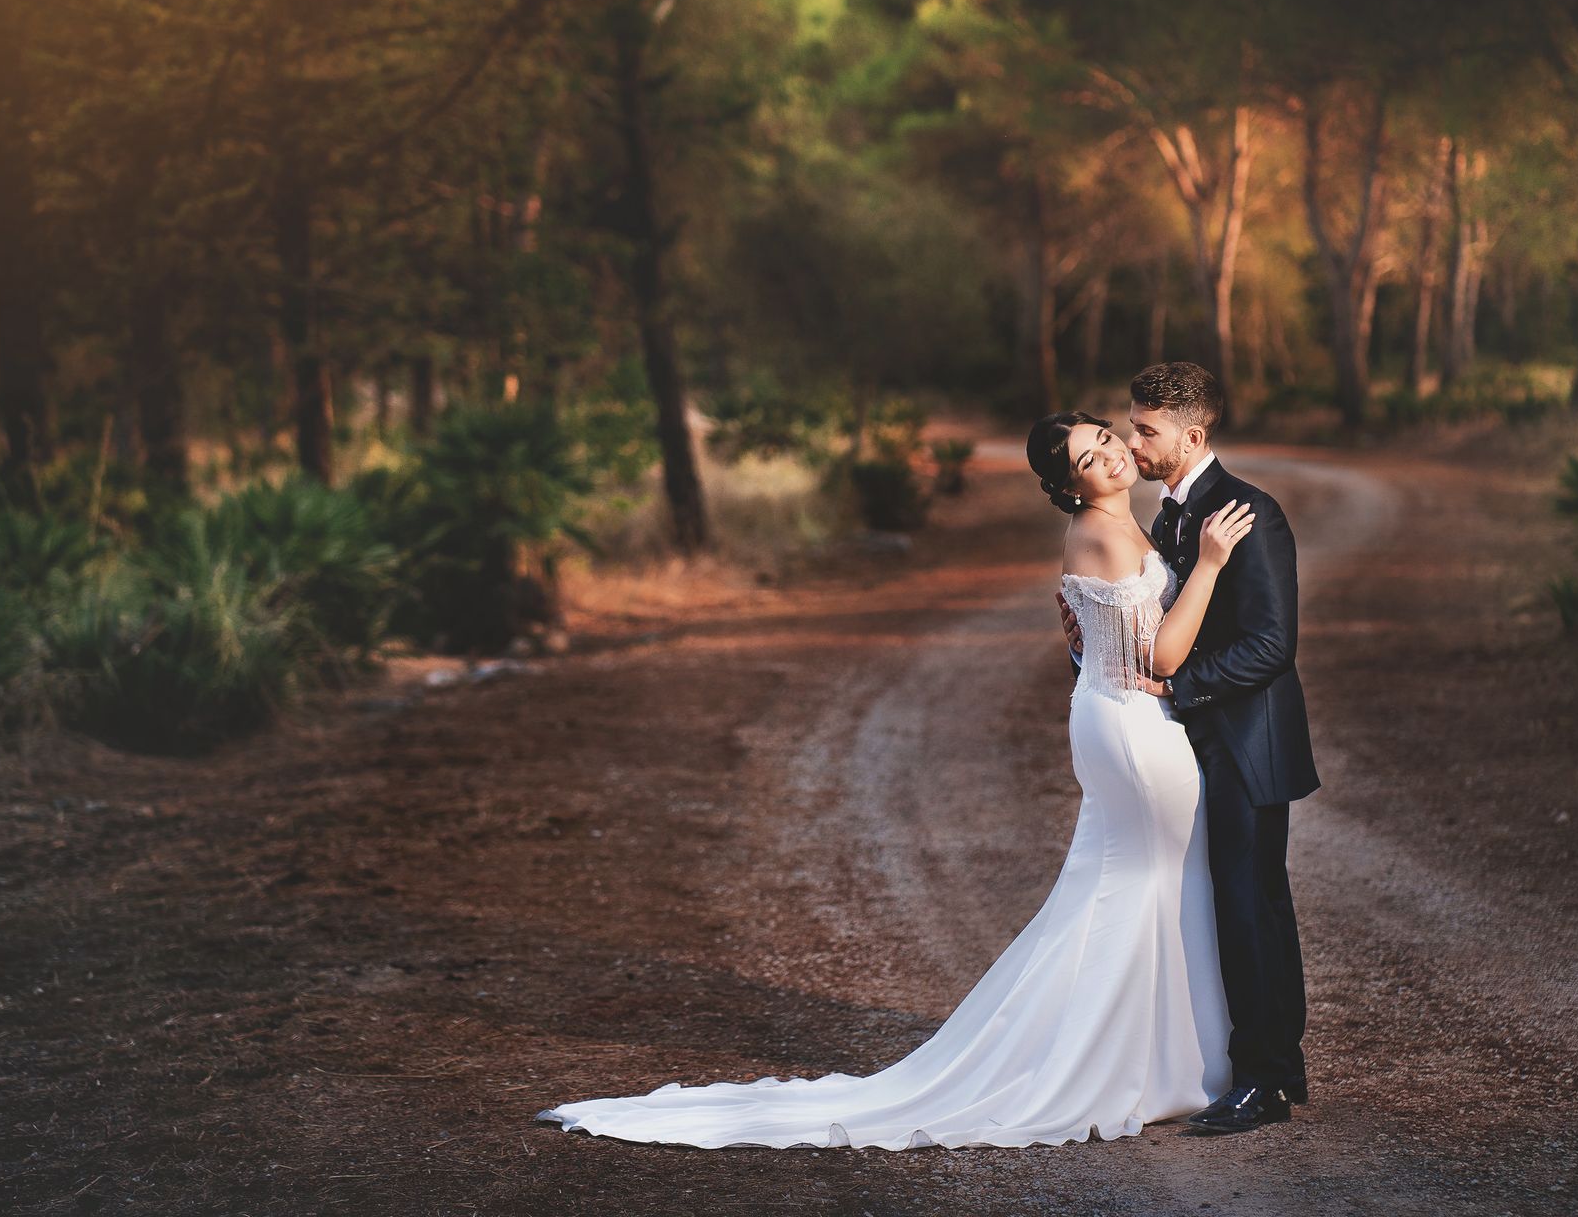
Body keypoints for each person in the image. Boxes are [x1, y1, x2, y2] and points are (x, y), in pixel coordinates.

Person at [533, 410, 1256, 1149]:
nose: (1107, 456)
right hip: (1131, 727)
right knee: (1138, 884)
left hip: (1127, 718)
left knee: (1153, 882)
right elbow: (1162, 658)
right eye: (1086, 458)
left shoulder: (1125, 524)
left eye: (1105, 439)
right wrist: (1209, 563)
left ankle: (1163, 1059)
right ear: (1067, 487)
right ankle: (1114, 1062)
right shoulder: (1099, 533)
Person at [1061, 362, 1318, 1134]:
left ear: (1192, 436)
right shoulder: (1171, 514)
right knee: (1232, 905)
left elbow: (1272, 644)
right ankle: (1259, 1066)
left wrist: (1179, 688)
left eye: (1146, 430)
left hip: (1246, 743)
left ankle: (1267, 1080)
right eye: (1131, 426)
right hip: (1192, 743)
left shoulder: (1249, 513)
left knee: (1252, 906)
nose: (1134, 441)